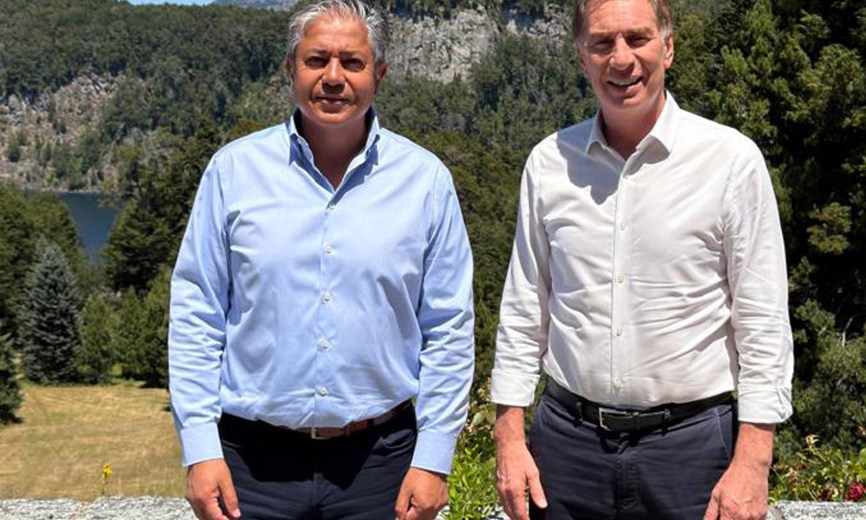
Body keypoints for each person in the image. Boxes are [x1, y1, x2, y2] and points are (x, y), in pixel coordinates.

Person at [168, 1, 475, 519]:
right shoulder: (233, 172)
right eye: (317, 60)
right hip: (250, 464)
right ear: (291, 69)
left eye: (352, 62)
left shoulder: (425, 182)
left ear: (379, 74)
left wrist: (434, 458)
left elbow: (448, 327)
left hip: (382, 465)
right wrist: (199, 449)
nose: (334, 77)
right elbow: (197, 314)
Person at [490, 0, 793, 519]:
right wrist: (509, 438)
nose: (621, 59)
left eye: (637, 38)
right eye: (602, 43)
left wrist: (754, 461)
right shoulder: (548, 164)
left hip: (692, 453)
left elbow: (762, 320)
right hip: (566, 450)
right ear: (581, 57)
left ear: (668, 48)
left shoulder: (730, 161)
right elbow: (524, 310)